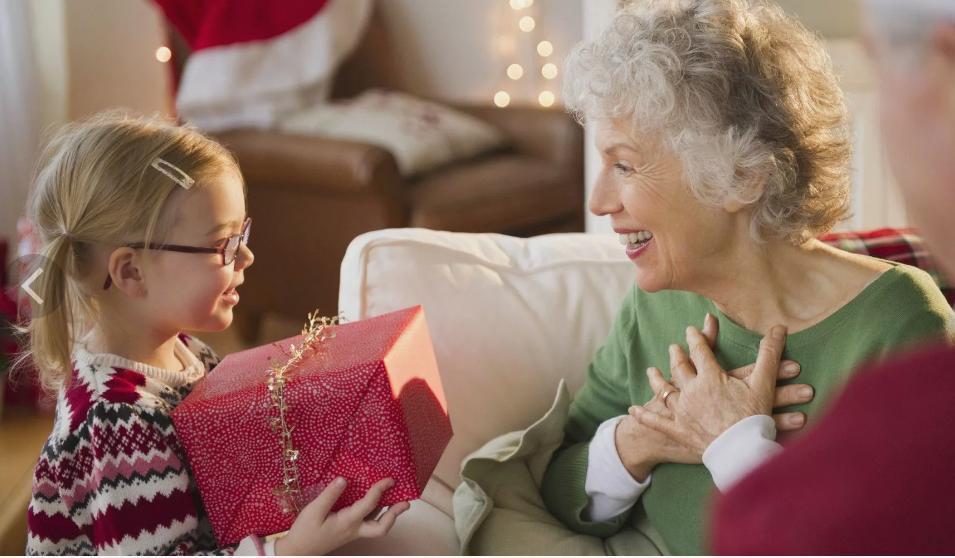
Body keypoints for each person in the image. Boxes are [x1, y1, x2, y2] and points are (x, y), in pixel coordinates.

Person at [538, 0, 955, 554]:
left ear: (741, 177)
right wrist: (642, 438)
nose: (598, 201)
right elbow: (562, 485)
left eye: (626, 165)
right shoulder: (657, 303)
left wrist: (734, 445)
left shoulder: (898, 324)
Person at [21, 112, 409, 555]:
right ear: (131, 272)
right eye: (223, 243)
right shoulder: (117, 421)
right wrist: (290, 551)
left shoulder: (183, 353)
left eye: (242, 234)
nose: (246, 257)